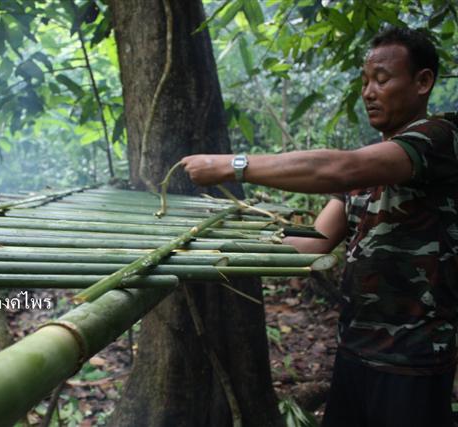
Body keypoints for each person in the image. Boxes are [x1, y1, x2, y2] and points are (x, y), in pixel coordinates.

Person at [181, 26, 458, 427]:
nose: (368, 92)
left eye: (382, 80)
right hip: (354, 350)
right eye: (364, 81)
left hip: (414, 358)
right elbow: (311, 245)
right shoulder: (370, 163)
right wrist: (214, 246)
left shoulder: (440, 138)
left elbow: (339, 167)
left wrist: (233, 165)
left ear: (423, 82)